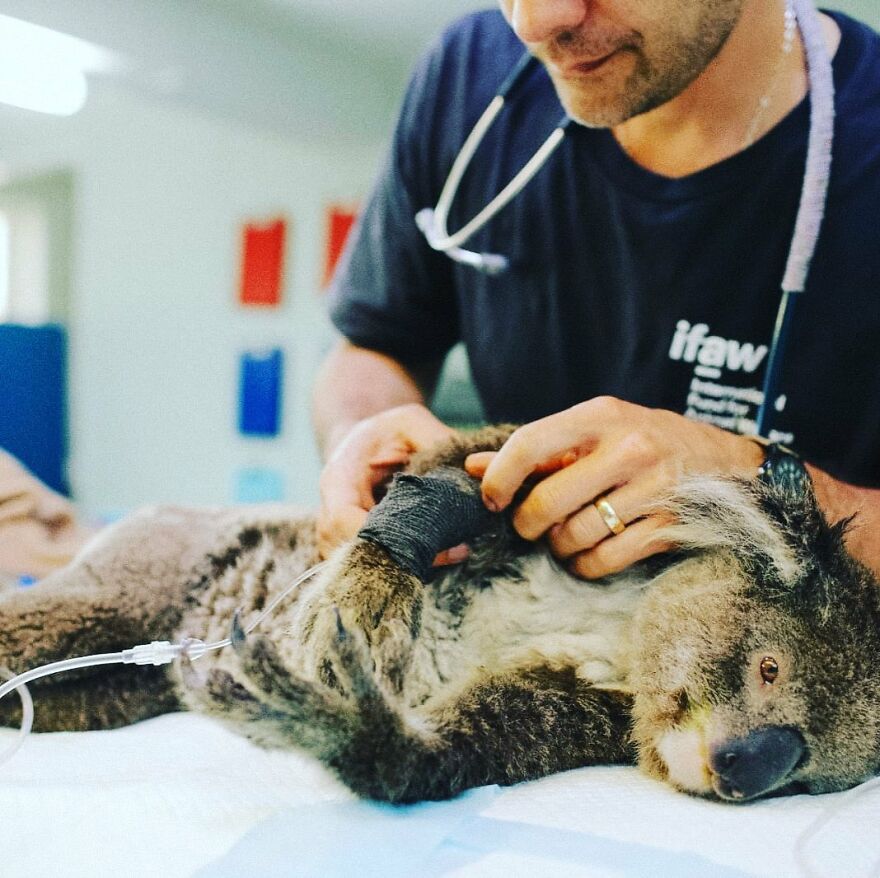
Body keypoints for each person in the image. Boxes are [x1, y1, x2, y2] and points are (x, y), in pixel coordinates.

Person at [313, 0, 880, 580]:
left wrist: (759, 487)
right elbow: (376, 348)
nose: (532, 24)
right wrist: (357, 439)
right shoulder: (467, 76)